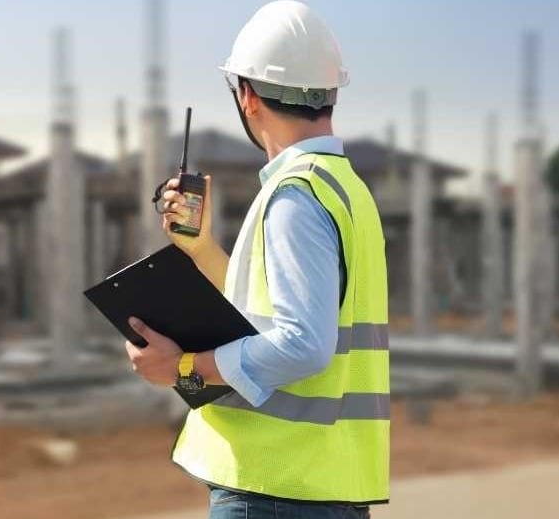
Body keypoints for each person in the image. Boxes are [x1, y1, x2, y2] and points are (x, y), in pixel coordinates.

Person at [122, 1, 390, 517]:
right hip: (323, 485)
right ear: (330, 94)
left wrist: (181, 365)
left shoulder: (295, 197)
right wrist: (201, 249)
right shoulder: (345, 190)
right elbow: (276, 313)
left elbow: (305, 345)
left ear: (247, 96)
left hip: (275, 490)